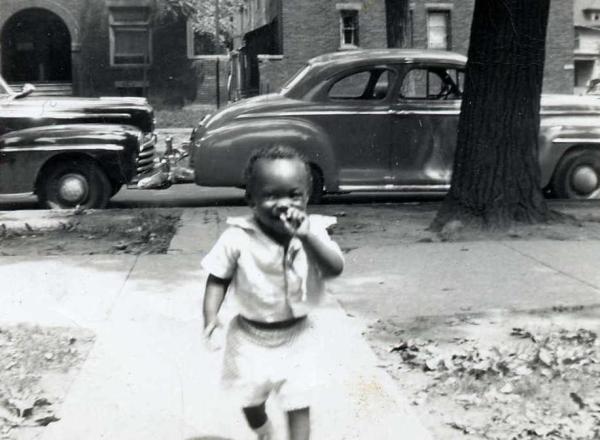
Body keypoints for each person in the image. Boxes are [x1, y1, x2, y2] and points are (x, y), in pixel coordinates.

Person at [201, 144, 344, 440]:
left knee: (298, 401)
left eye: (293, 195)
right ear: (250, 199)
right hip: (249, 338)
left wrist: (307, 238)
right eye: (270, 195)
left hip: (298, 336)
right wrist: (210, 316)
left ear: (307, 197)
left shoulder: (313, 232)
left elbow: (334, 269)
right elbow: (218, 278)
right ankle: (264, 431)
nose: (283, 204)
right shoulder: (236, 237)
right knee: (250, 402)